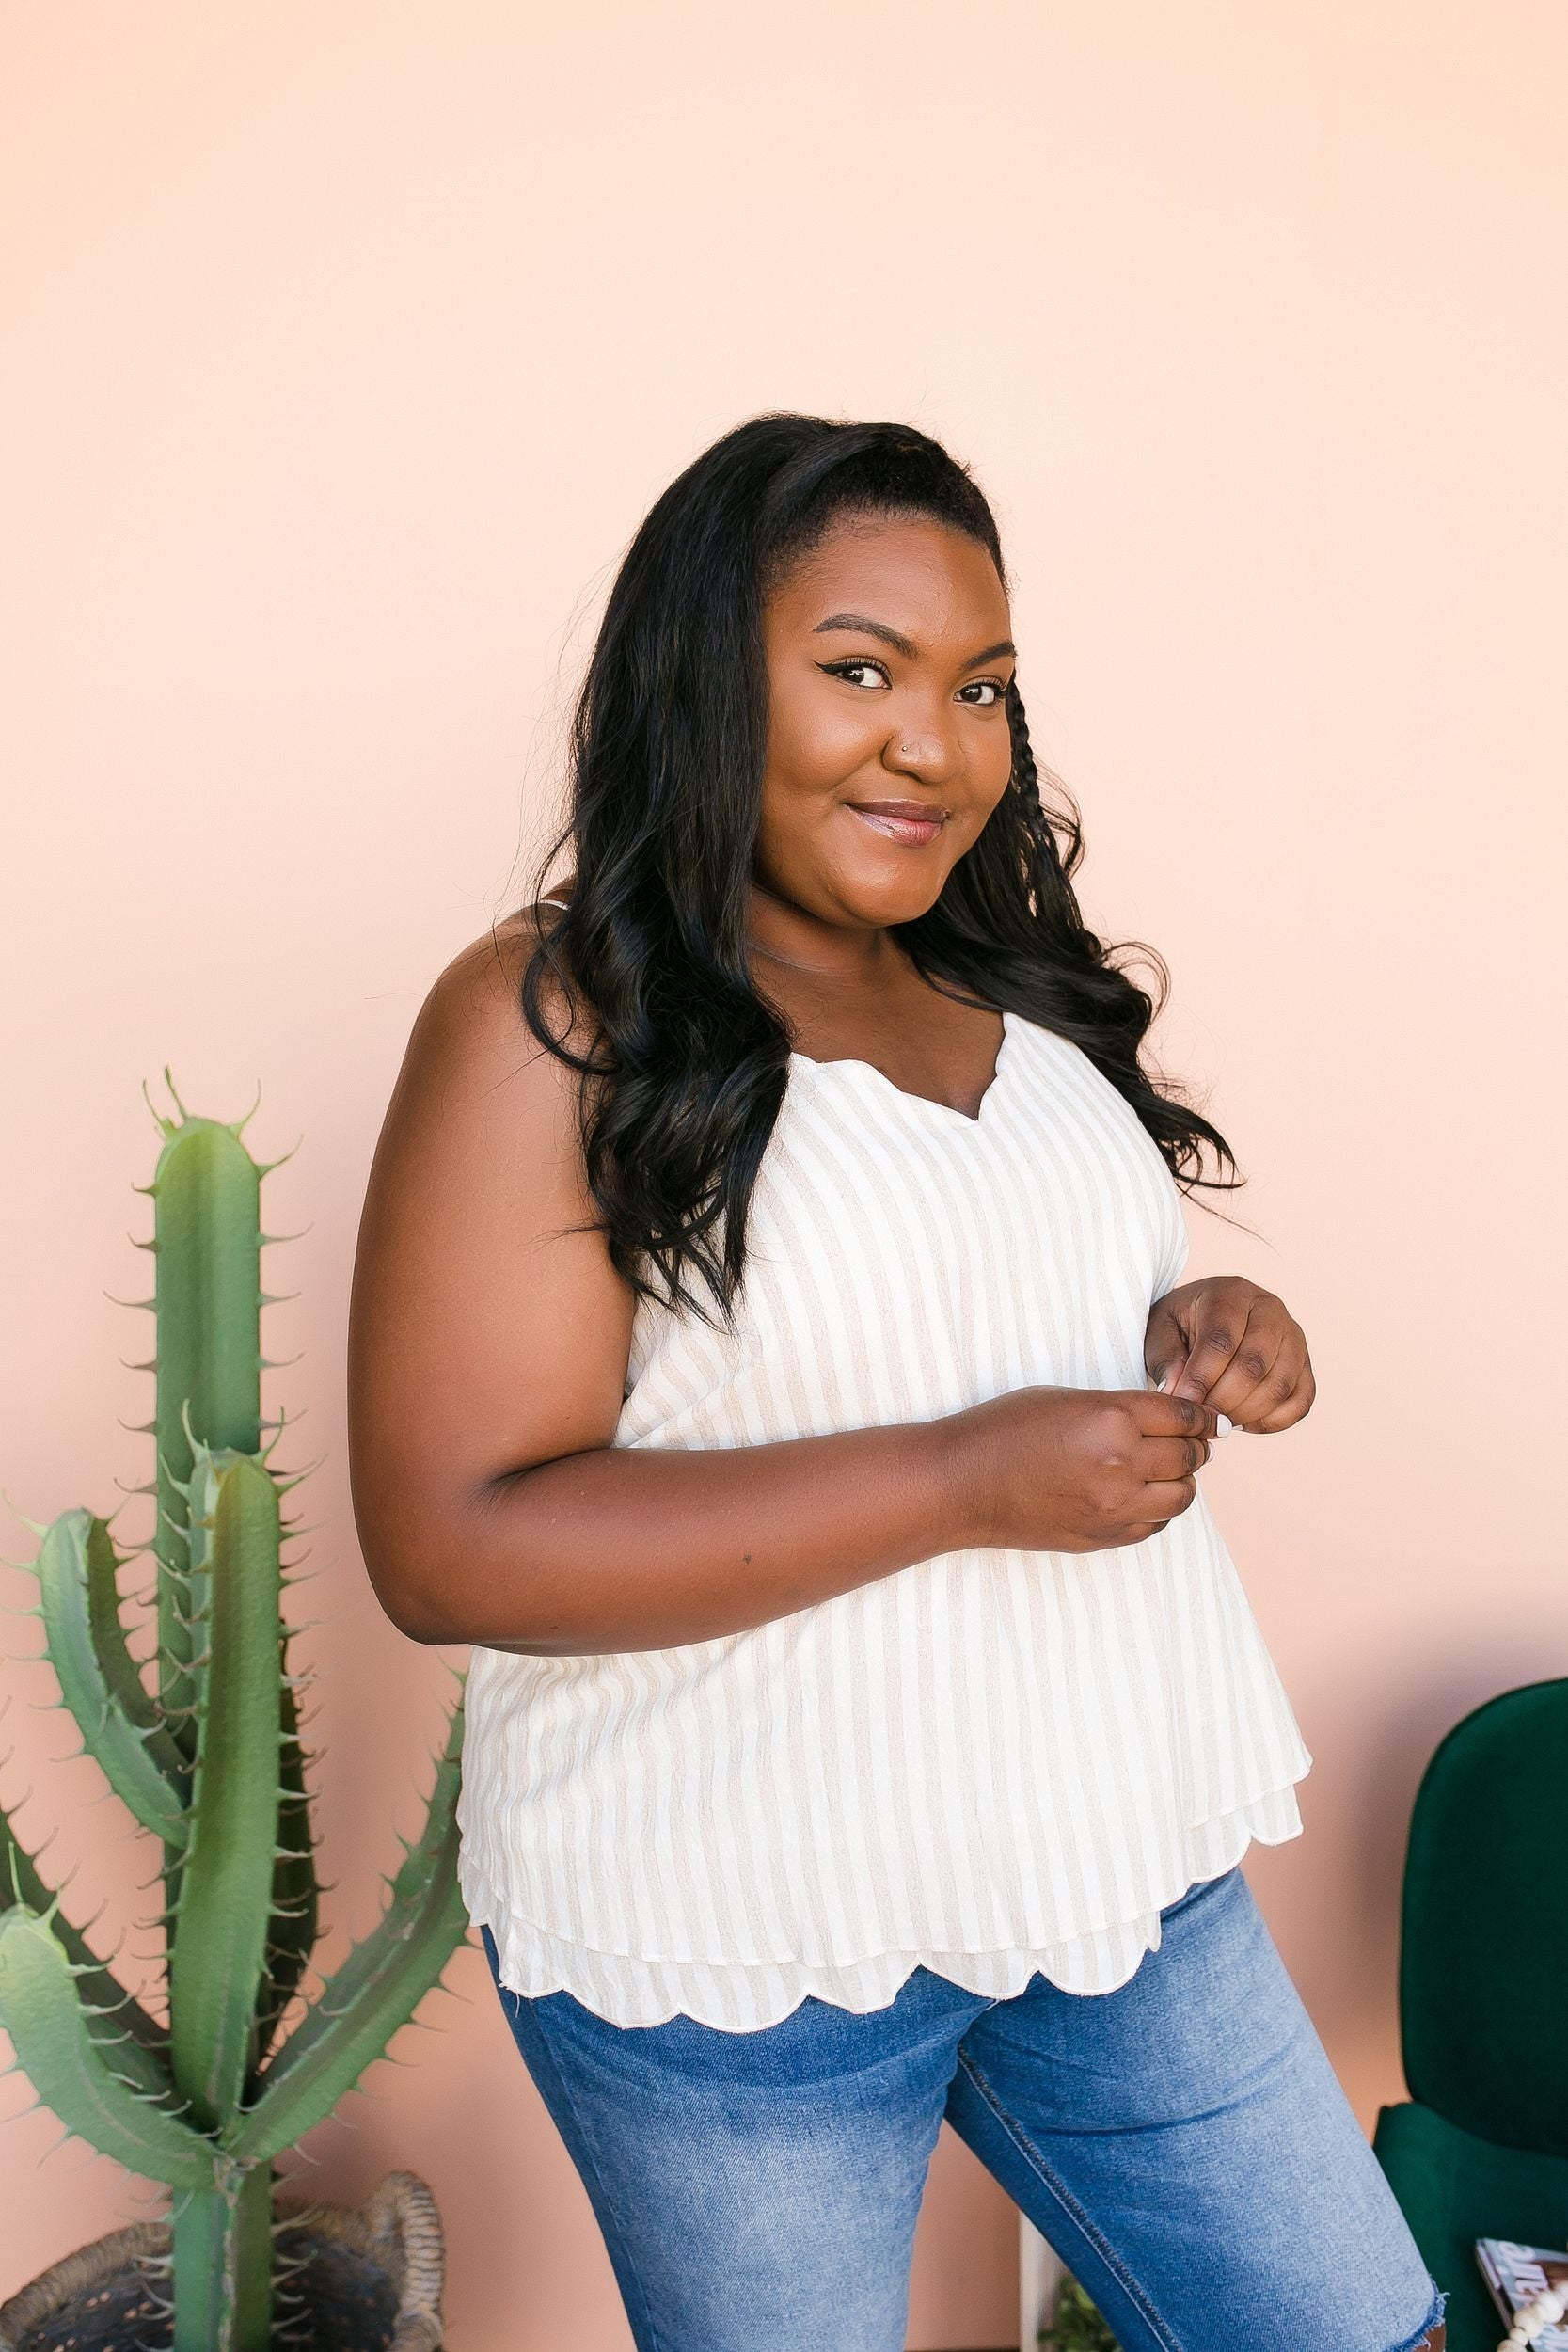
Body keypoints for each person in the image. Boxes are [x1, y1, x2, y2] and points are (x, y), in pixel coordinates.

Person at [345, 414, 1448, 2352]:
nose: (935, 742)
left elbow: (967, 1308)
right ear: (704, 678)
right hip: (735, 1944)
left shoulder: (1015, 982)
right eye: (859, 668)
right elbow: (451, 1540)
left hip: (1116, 1868)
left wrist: (1205, 1333)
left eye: (983, 686)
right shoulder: (554, 1025)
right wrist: (958, 1477)